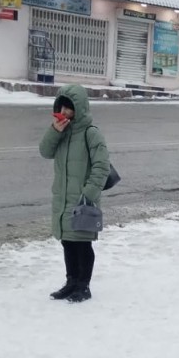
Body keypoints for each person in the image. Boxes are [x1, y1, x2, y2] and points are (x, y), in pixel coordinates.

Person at [39, 85, 113, 304]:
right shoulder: (61, 131)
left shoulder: (91, 133)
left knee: (82, 243)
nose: (65, 111)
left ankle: (83, 285)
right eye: (62, 106)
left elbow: (102, 166)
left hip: (83, 198)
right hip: (63, 198)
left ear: (78, 109)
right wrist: (55, 130)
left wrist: (88, 193)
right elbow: (45, 151)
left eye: (69, 108)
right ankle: (71, 282)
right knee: (68, 242)